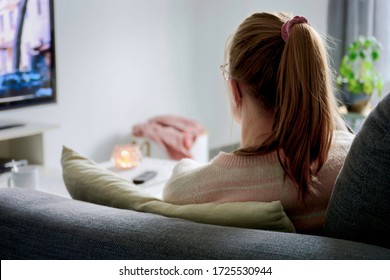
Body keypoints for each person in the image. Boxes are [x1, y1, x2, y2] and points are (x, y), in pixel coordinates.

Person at [163, 12, 354, 233]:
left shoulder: (202, 189)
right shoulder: (350, 161)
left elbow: (175, 186)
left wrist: (186, 162)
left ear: (235, 91)